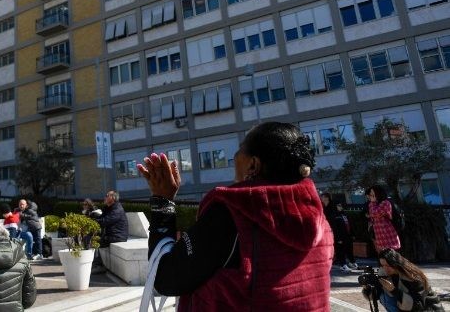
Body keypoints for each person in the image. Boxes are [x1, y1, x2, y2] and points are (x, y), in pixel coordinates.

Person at [137, 122, 332, 310]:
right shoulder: (321, 222)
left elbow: (166, 279)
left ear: (253, 165)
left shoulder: (232, 214)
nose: (235, 157)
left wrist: (163, 201)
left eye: (240, 149)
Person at [361, 248, 444, 311]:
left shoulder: (412, 276)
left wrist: (394, 290)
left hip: (429, 309)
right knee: (384, 296)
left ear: (395, 263)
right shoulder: (385, 275)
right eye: (382, 265)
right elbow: (377, 295)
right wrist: (367, 288)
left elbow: (418, 305)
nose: (385, 269)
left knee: (387, 296)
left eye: (388, 265)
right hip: (409, 308)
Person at [322, 193, 358, 272]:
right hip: (339, 237)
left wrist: (352, 234)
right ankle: (343, 265)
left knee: (349, 249)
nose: (340, 207)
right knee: (340, 251)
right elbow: (334, 228)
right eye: (338, 206)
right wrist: (338, 238)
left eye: (341, 205)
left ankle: (352, 262)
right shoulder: (334, 216)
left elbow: (349, 225)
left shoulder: (344, 215)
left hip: (347, 236)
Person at [367, 185, 401, 252]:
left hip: (387, 232)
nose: (370, 195)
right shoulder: (373, 204)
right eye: (370, 194)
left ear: (378, 193)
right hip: (379, 234)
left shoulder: (386, 202)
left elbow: (375, 213)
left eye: (372, 193)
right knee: (383, 256)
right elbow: (372, 214)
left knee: (391, 256)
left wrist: (372, 204)